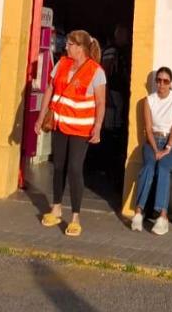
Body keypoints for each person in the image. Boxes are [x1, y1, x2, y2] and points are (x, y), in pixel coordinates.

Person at [34, 29, 106, 237]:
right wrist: (41, 117)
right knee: (58, 167)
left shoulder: (96, 71)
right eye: (67, 44)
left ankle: (75, 216)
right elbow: (50, 89)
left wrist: (98, 126)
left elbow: (100, 102)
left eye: (70, 44)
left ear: (81, 48)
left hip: (81, 128)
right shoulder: (62, 63)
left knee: (74, 168)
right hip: (60, 124)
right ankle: (56, 207)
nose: (66, 47)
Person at [130, 66, 172, 236]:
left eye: (165, 81)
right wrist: (155, 149)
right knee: (148, 167)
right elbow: (147, 128)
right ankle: (138, 213)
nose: (161, 84)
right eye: (158, 80)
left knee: (163, 169)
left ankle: (163, 217)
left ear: (170, 83)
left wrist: (167, 148)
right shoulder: (149, 100)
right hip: (153, 141)